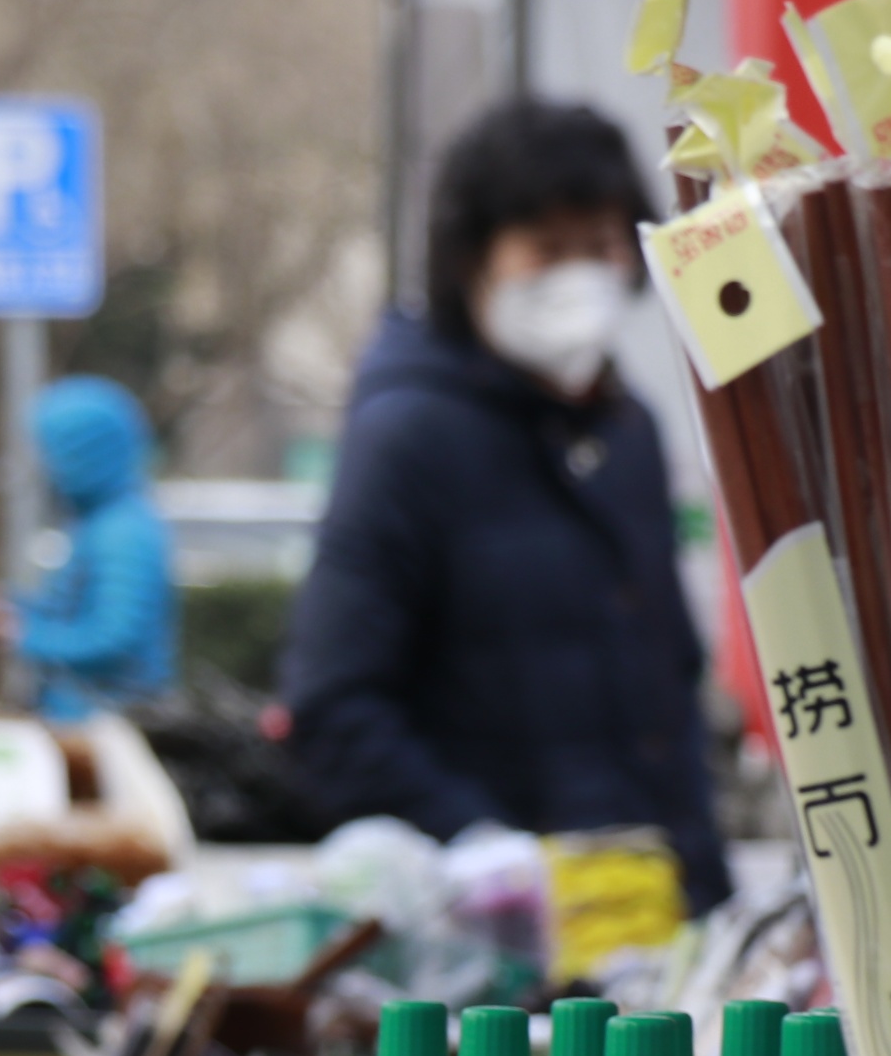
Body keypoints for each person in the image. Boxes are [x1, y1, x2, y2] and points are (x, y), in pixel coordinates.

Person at [279, 99, 730, 908]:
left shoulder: (632, 432)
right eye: (545, 249)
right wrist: (486, 852)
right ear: (470, 259)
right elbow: (333, 705)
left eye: (599, 246)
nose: (578, 276)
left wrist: (705, 883)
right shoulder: (407, 436)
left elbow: (670, 685)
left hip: (651, 918)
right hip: (497, 952)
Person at [0, 376, 175, 719]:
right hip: (89, 711)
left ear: (83, 453)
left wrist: (23, 633)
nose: (47, 467)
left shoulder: (122, 533)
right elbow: (70, 610)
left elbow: (115, 639)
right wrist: (13, 606)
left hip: (109, 717)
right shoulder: (100, 524)